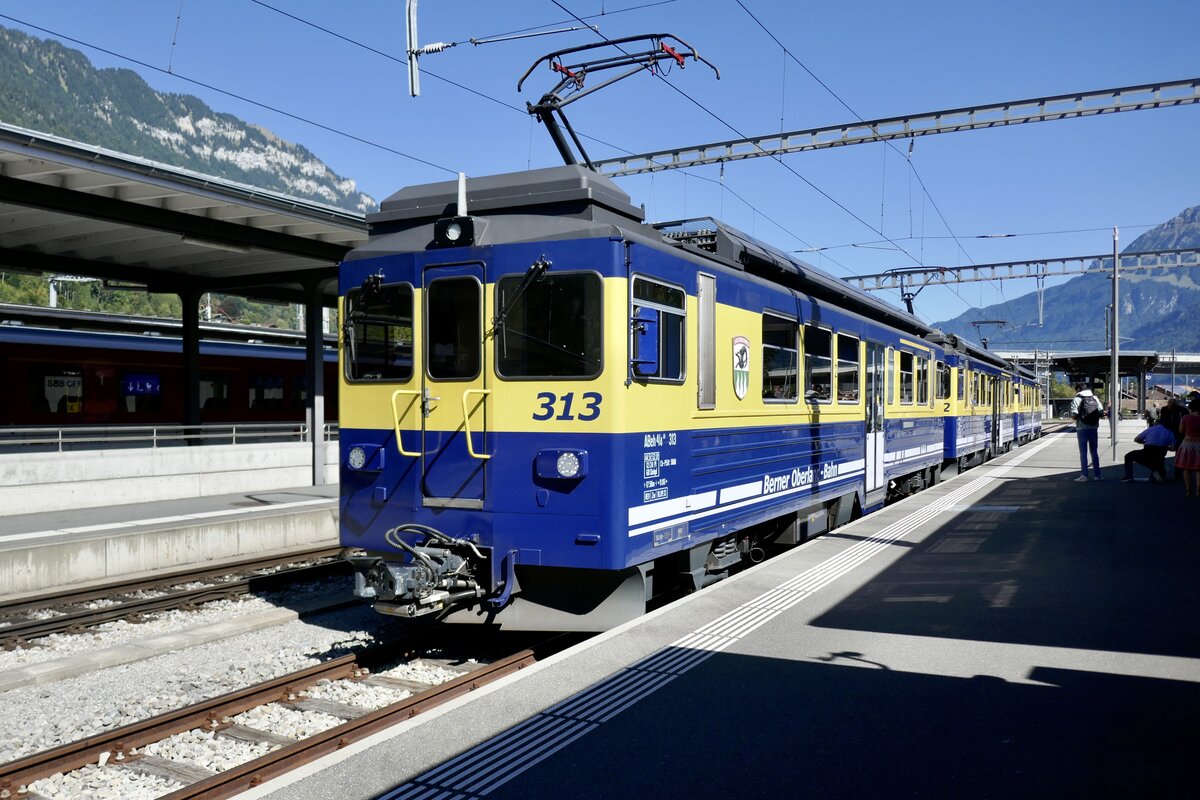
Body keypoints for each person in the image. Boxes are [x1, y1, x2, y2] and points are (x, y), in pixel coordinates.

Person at [1069, 382, 1103, 481]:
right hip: (1094, 428)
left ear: (1078, 390)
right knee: (1094, 452)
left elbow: (1074, 415)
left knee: (1083, 453)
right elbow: (1101, 412)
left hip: (1081, 428)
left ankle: (1084, 475)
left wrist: (1077, 417)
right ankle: (1098, 475)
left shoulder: (1076, 399)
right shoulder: (1095, 398)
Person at [1175, 399, 1200, 497]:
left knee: (1187, 468)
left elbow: (1181, 431)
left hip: (1187, 444)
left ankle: (1188, 490)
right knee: (1199, 469)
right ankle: (1199, 491)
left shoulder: (1186, 418)